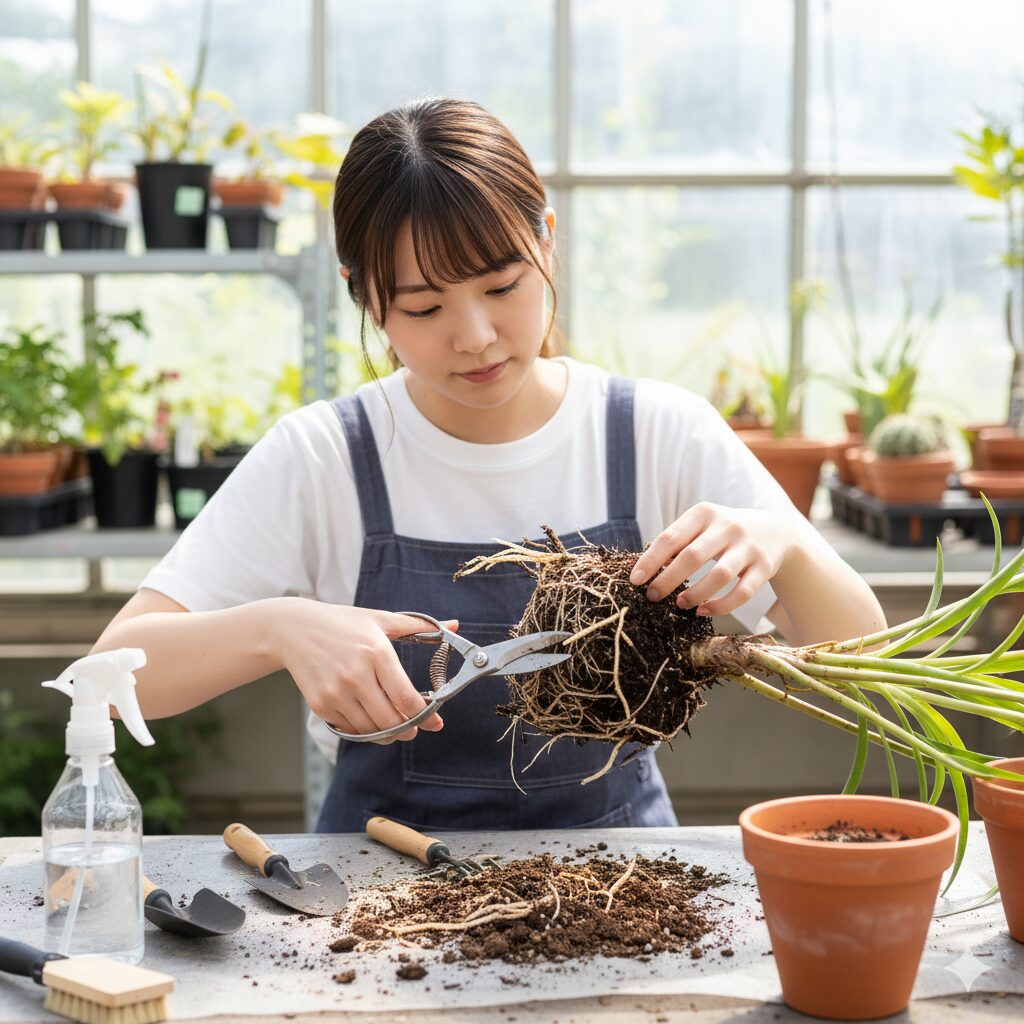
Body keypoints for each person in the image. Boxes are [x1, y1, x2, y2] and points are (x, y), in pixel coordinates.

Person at [92, 98, 886, 832]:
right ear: (364, 295)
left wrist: (784, 543)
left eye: (502, 285)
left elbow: (867, 664)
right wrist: (276, 629)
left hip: (627, 883)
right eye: (425, 306)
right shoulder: (323, 456)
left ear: (547, 242)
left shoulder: (655, 432)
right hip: (379, 890)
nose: (473, 336)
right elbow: (114, 675)